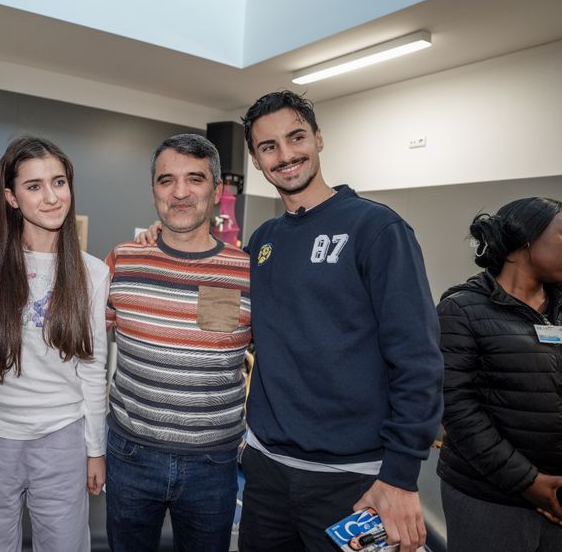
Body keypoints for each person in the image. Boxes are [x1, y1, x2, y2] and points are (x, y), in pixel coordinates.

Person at [238, 91, 442, 552]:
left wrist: (401, 476)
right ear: (256, 159)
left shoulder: (376, 229)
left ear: (319, 139)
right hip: (268, 471)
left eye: (296, 137)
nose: (286, 155)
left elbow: (419, 361)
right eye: (268, 147)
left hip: (356, 480)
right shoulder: (263, 240)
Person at [106, 133, 252, 551]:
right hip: (130, 455)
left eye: (195, 179)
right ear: (153, 190)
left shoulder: (247, 272)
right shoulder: (123, 260)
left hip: (213, 463)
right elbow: (86, 347)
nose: (181, 192)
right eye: (166, 180)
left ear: (217, 189)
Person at [0, 136, 109, 552]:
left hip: (61, 437)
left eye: (59, 182)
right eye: (34, 186)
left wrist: (95, 450)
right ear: (10, 197)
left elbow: (93, 369)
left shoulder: (92, 273)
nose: (51, 197)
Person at [436, 197, 562, 552]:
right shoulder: (460, 310)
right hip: (490, 498)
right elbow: (457, 408)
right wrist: (528, 481)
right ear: (524, 243)